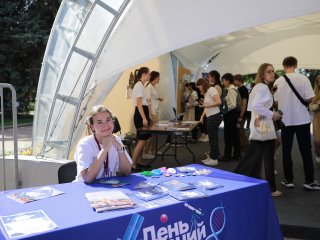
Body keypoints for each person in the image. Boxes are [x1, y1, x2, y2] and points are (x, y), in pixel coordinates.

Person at [234, 63, 282, 197]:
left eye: (273, 71)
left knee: (255, 157)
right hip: (263, 128)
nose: (272, 73)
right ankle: (269, 188)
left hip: (260, 127)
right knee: (265, 159)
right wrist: (273, 114)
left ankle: (243, 181)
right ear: (262, 74)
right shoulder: (262, 88)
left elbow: (254, 106)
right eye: (269, 72)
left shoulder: (259, 87)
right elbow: (256, 106)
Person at [273, 56, 320, 190]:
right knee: (305, 150)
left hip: (285, 121)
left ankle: (288, 180)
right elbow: (310, 98)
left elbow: (275, 102)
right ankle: (309, 181)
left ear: (284, 66)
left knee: (286, 150)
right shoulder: (303, 79)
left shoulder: (278, 81)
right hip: (302, 120)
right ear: (296, 65)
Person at [74, 105, 132, 183]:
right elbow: (87, 178)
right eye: (99, 122)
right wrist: (104, 149)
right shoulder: (84, 144)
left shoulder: (116, 139)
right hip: (85, 190)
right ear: (92, 127)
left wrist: (119, 149)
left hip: (107, 188)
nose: (105, 125)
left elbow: (126, 172)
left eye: (108, 120)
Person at [197, 78, 222, 166]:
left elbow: (219, 102)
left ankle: (214, 158)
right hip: (210, 116)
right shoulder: (207, 92)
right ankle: (213, 156)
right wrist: (202, 116)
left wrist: (205, 105)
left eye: (199, 87)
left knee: (213, 138)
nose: (199, 89)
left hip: (214, 116)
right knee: (212, 138)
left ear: (203, 85)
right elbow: (206, 106)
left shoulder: (212, 89)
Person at [131, 67, 152, 171]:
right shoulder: (139, 86)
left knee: (142, 140)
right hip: (140, 115)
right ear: (144, 74)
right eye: (149, 74)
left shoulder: (141, 86)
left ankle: (138, 161)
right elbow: (139, 104)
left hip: (142, 113)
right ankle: (133, 164)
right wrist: (144, 118)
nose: (150, 76)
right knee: (142, 140)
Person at [143, 71, 163, 158]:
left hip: (155, 111)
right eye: (158, 77)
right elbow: (148, 101)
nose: (159, 79)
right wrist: (150, 115)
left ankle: (152, 150)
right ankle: (146, 152)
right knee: (153, 133)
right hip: (152, 112)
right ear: (155, 77)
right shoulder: (149, 87)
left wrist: (158, 98)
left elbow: (153, 97)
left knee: (155, 133)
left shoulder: (153, 87)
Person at [221, 73, 241, 161]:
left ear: (228, 80)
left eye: (224, 80)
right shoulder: (232, 89)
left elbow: (232, 105)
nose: (223, 82)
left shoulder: (231, 90)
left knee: (229, 136)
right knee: (233, 135)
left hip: (231, 115)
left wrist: (224, 111)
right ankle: (236, 154)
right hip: (232, 115)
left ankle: (228, 155)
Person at [234, 74, 249, 154]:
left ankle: (246, 147)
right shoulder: (240, 88)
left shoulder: (243, 89)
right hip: (241, 113)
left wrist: (241, 115)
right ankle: (244, 147)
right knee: (240, 130)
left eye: (235, 80)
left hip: (242, 113)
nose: (234, 82)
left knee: (240, 130)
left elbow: (244, 103)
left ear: (239, 80)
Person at [309, 75, 320, 164]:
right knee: (317, 141)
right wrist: (315, 106)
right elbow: (310, 107)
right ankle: (317, 154)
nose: (319, 83)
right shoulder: (315, 92)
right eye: (318, 81)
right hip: (317, 118)